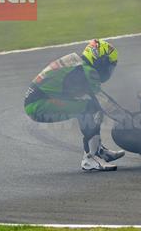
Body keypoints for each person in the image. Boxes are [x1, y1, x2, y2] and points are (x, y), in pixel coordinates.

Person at [24, 39, 125, 172]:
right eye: (107, 64)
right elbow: (102, 101)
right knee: (91, 107)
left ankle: (98, 150)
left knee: (89, 106)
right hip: (39, 105)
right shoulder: (86, 71)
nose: (108, 70)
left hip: (39, 101)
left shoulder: (79, 65)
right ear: (98, 60)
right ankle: (90, 158)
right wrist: (127, 118)